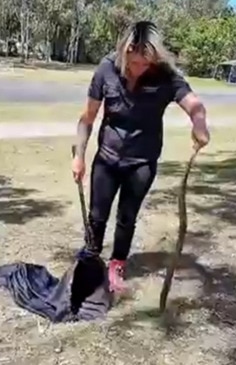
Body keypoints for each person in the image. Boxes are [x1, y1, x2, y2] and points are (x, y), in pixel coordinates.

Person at [71, 21, 211, 293]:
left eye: (145, 64)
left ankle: (117, 264)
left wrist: (200, 124)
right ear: (125, 52)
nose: (137, 69)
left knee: (127, 217)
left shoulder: (166, 75)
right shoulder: (106, 69)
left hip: (143, 162)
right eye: (133, 62)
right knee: (97, 215)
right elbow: (87, 119)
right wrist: (79, 155)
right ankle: (90, 259)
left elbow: (194, 105)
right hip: (107, 158)